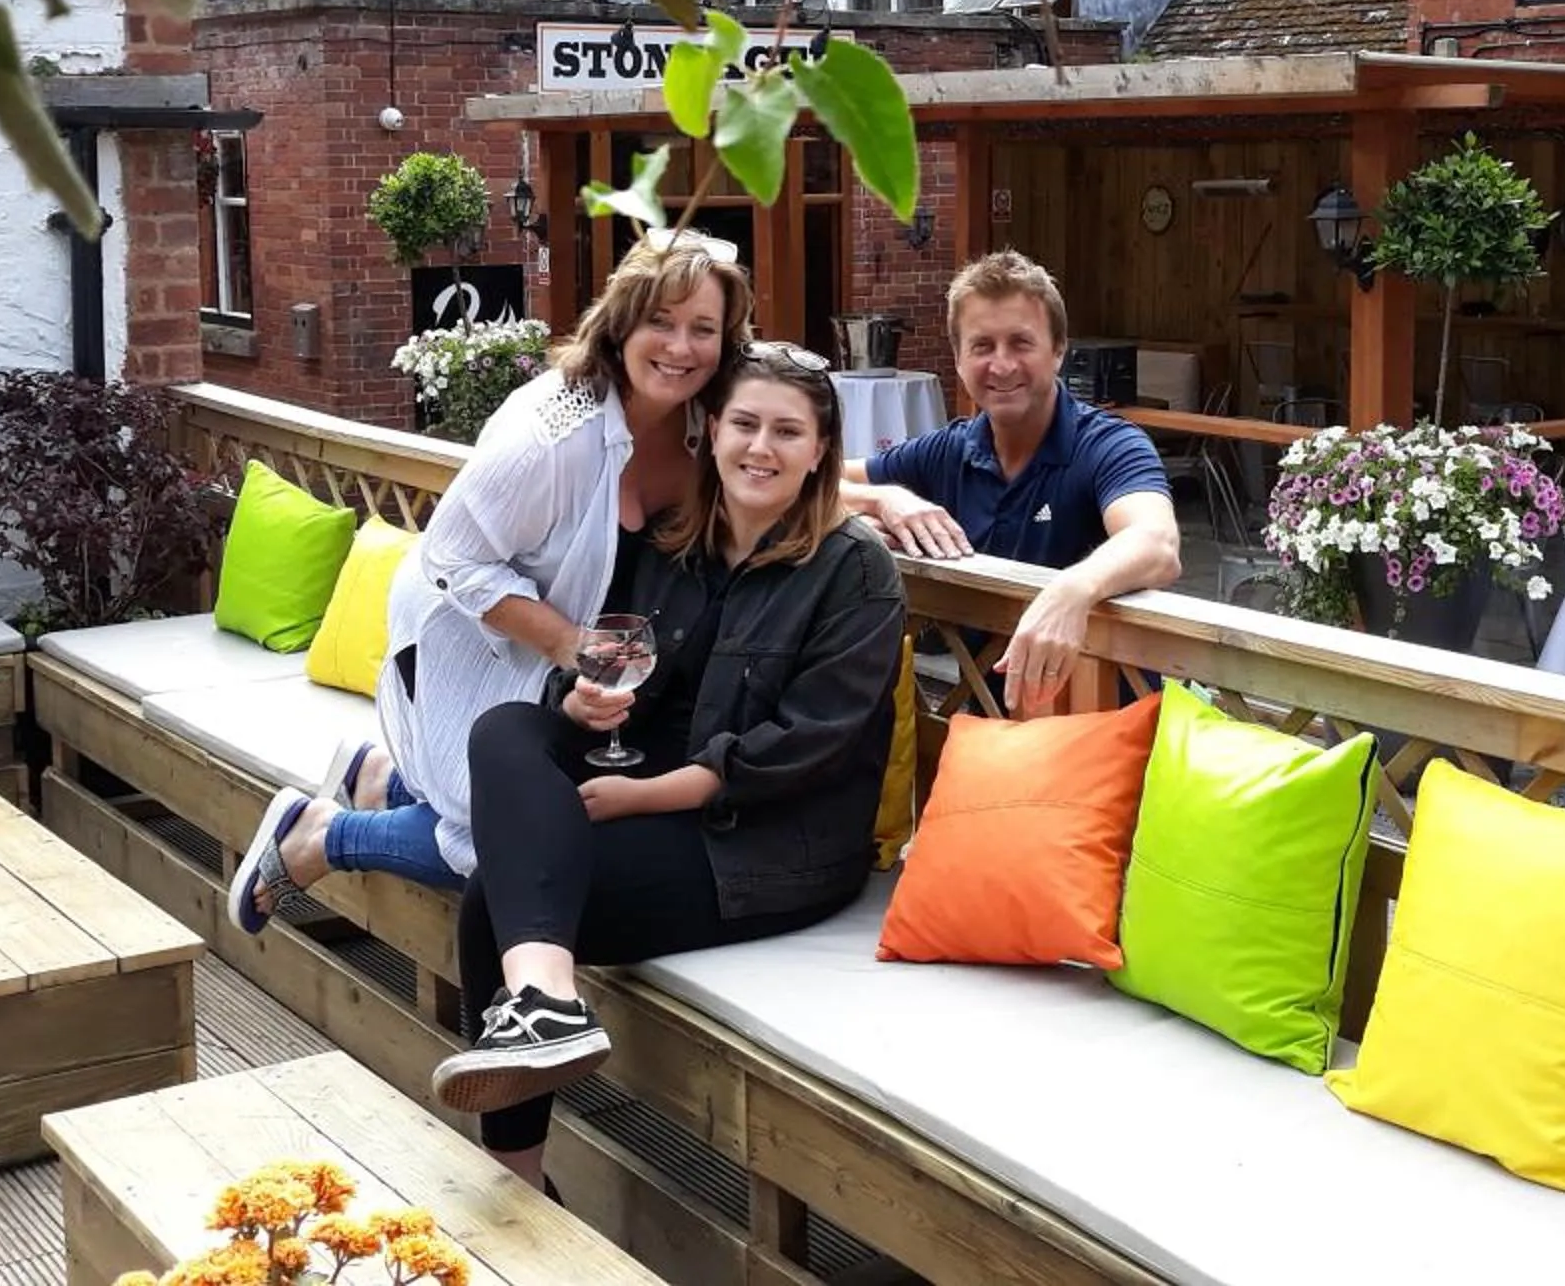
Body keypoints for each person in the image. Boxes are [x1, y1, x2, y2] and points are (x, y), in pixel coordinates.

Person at [428, 344, 906, 1189]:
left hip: (770, 842)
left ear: (821, 449)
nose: (762, 448)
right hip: (659, 787)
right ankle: (544, 1003)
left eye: (787, 432)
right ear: (713, 430)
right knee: (508, 727)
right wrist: (584, 707)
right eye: (746, 424)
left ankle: (516, 1171)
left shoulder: (853, 568)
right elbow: (629, 677)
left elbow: (809, 744)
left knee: (488, 905)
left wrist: (651, 795)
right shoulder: (677, 539)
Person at [229, 233, 755, 929]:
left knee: (532, 812)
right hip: (464, 633)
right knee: (509, 843)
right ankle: (321, 835)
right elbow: (453, 558)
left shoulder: (702, 420)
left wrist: (881, 497)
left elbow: (779, 463)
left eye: (703, 329)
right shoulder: (553, 429)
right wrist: (572, 645)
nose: (680, 347)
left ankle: (385, 779)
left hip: (555, 655)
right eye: (660, 320)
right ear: (622, 320)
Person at [843, 251, 1182, 715]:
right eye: (982, 346)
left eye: (1021, 343)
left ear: (1059, 351)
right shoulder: (950, 450)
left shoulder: (1107, 444)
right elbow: (811, 480)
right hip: (990, 734)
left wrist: (1072, 590)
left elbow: (1157, 543)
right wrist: (880, 497)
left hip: (1105, 737)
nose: (1002, 366)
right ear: (958, 359)